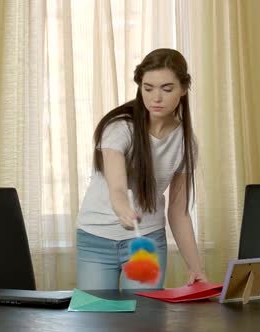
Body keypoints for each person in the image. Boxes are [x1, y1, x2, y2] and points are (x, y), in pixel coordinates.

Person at [76, 48, 207, 290]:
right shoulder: (119, 128)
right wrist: (123, 209)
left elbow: (179, 211)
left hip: (146, 240)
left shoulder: (186, 142)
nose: (156, 98)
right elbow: (117, 187)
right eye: (148, 88)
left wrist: (196, 267)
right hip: (96, 237)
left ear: (184, 88)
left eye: (167, 89)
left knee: (144, 319)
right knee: (94, 319)